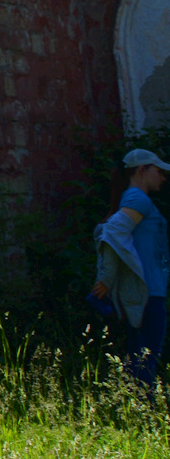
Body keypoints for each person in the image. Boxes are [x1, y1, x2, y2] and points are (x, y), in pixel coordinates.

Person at [92, 149, 170, 393]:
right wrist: (106, 279)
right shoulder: (138, 198)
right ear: (141, 170)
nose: (163, 177)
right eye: (158, 171)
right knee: (148, 356)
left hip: (145, 290)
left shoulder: (132, 198)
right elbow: (112, 233)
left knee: (138, 356)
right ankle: (144, 416)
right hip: (148, 290)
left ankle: (131, 412)